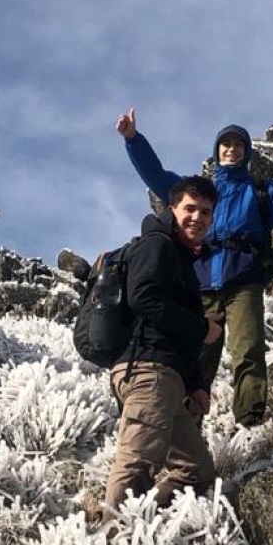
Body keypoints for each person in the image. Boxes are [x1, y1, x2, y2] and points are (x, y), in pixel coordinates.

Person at [115, 109, 273, 428]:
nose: (231, 149)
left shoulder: (262, 194)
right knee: (194, 356)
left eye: (238, 145)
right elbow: (157, 176)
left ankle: (250, 420)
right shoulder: (201, 195)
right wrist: (133, 139)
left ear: (246, 153)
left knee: (248, 349)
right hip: (200, 286)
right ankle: (186, 426)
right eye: (225, 144)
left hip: (244, 285)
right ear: (216, 152)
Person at [104, 175, 223, 512]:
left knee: (196, 472)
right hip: (148, 373)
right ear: (173, 209)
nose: (197, 218)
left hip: (168, 376)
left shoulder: (181, 259)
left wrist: (195, 384)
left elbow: (171, 331)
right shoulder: (157, 244)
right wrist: (202, 328)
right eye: (190, 208)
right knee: (136, 466)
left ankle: (142, 527)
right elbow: (144, 299)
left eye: (205, 212)